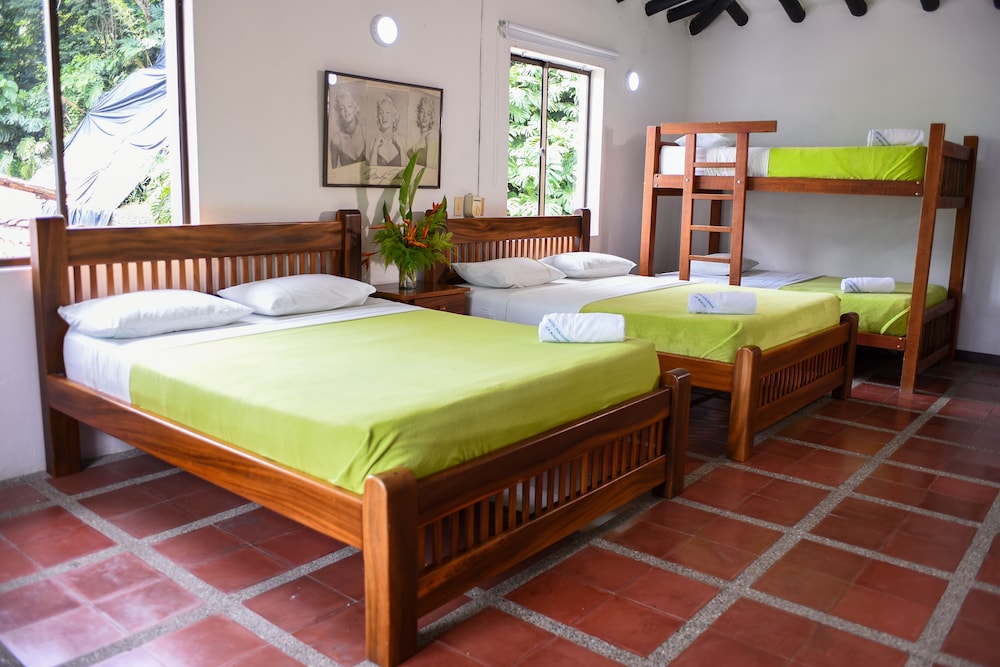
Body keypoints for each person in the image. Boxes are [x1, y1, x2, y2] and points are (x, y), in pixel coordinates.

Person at [328, 88, 366, 169]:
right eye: (342, 108)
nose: (346, 110)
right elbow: (332, 173)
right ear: (339, 114)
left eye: (349, 106)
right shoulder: (336, 140)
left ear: (355, 109)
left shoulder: (364, 132)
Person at [367, 93, 405, 167]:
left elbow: (407, 170)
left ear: (394, 117)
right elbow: (371, 171)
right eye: (381, 113)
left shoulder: (401, 140)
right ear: (378, 117)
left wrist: (401, 148)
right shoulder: (374, 141)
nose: (384, 116)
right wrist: (375, 147)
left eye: (387, 112)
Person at [410, 95, 439, 167]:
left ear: (431, 118)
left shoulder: (431, 136)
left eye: (428, 114)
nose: (424, 116)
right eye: (422, 112)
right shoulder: (415, 136)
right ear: (418, 114)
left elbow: (430, 167)